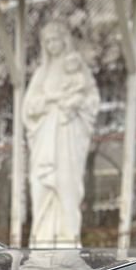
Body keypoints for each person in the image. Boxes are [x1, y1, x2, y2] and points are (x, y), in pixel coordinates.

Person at [23, 22, 100, 248]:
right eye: (47, 41)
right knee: (40, 185)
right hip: (45, 136)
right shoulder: (41, 73)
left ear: (64, 40)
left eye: (55, 39)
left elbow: (91, 100)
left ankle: (68, 240)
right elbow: (28, 107)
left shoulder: (76, 68)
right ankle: (41, 242)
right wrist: (49, 100)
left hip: (68, 137)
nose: (51, 45)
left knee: (67, 185)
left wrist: (74, 104)